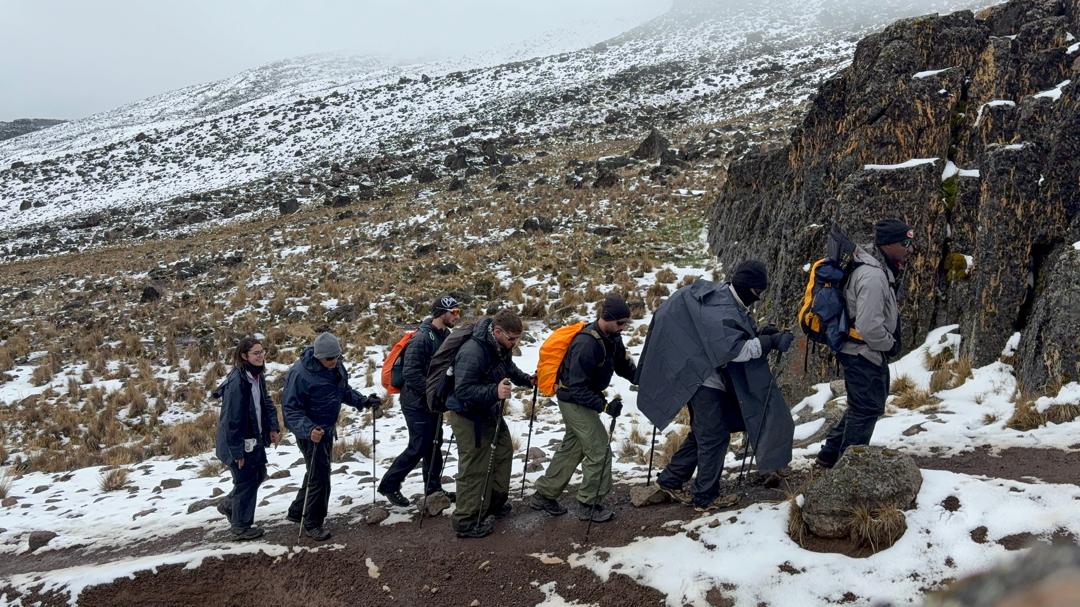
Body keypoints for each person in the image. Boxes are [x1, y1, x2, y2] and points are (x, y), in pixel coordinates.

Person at [636, 259, 796, 511]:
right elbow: (733, 351)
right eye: (757, 292)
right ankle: (705, 497)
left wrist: (762, 333)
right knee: (714, 436)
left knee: (705, 431)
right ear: (745, 286)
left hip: (698, 373)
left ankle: (671, 480)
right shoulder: (721, 307)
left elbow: (730, 334)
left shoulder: (721, 297)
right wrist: (770, 342)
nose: (758, 297)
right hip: (701, 378)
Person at [815, 219, 913, 468]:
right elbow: (869, 325)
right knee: (866, 410)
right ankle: (849, 470)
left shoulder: (874, 268)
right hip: (863, 353)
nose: (908, 248)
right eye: (904, 242)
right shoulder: (873, 276)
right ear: (888, 244)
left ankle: (828, 456)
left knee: (860, 406)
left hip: (859, 351)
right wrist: (889, 344)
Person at [530, 293, 637, 522]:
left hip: (584, 396)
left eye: (626, 323)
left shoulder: (613, 338)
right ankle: (589, 503)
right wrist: (605, 405)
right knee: (598, 449)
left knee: (574, 447)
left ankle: (544, 495)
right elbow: (577, 388)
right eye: (620, 323)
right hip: (572, 399)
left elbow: (622, 366)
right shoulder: (586, 344)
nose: (623, 327)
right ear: (606, 318)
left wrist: (642, 378)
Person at [283, 331, 382, 541]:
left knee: (316, 470)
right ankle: (312, 522)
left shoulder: (336, 367)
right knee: (320, 475)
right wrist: (309, 430)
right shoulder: (300, 374)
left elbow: (342, 391)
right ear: (318, 356)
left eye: (337, 357)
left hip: (326, 429)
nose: (334, 361)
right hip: (310, 433)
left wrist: (363, 401)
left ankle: (296, 511)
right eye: (330, 358)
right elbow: (290, 410)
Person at [445, 308, 534, 538]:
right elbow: (462, 390)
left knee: (503, 452)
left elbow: (507, 368)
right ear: (497, 332)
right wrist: (494, 391)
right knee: (475, 465)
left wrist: (526, 380)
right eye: (512, 338)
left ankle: (492, 504)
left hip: (489, 410)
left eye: (518, 338)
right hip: (467, 415)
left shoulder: (501, 347)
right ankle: (466, 520)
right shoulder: (473, 351)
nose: (515, 343)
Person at [378, 295, 461, 507]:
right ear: (441, 312)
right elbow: (411, 373)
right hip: (416, 401)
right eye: (454, 312)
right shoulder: (421, 338)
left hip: (432, 400)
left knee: (434, 443)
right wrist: (433, 391)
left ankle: (433, 490)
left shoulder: (444, 335)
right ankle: (389, 485)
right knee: (419, 445)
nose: (456, 316)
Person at [214, 336, 280, 540]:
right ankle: (240, 527)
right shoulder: (238, 382)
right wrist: (237, 452)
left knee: (258, 474)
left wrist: (273, 427)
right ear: (244, 356)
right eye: (256, 353)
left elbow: (266, 402)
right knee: (246, 480)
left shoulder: (255, 376)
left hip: (254, 438)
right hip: (240, 441)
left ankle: (229, 506)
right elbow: (232, 420)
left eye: (262, 352)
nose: (261, 356)